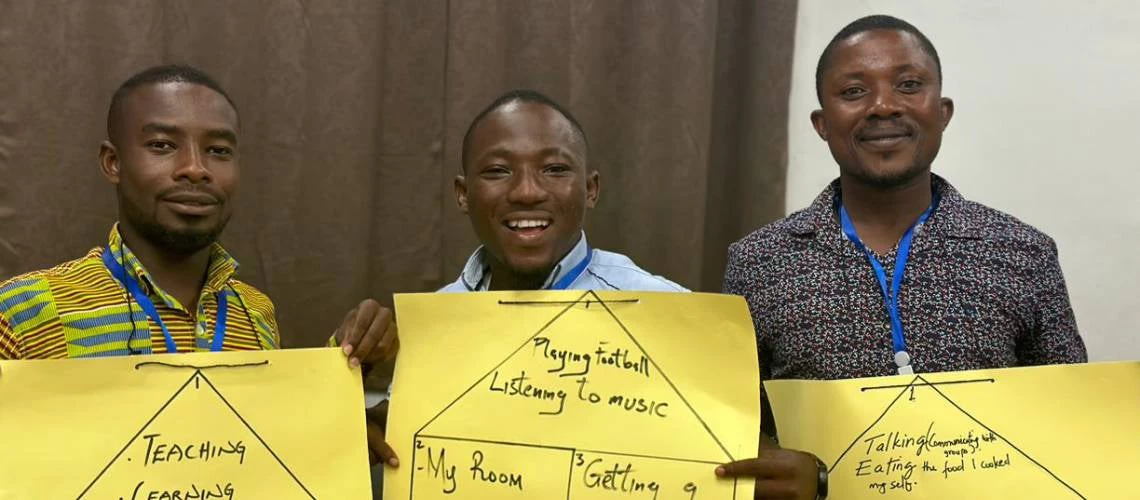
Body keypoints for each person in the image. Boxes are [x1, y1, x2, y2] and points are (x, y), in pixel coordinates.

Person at [717, 15, 1088, 498]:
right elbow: (734, 434)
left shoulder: (1023, 252)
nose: (883, 106)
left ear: (944, 111)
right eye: (853, 92)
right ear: (822, 124)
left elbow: (1073, 425)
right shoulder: (757, 262)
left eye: (909, 85)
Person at [0, 64, 398, 465]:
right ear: (112, 162)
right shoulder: (24, 314)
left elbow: (254, 453)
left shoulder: (255, 314)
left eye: (219, 151)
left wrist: (343, 387)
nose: (196, 168)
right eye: (162, 145)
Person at [443, 89, 686, 293]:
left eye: (554, 169)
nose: (527, 193)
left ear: (590, 189)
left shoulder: (664, 311)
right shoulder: (423, 327)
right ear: (463, 194)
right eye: (498, 171)